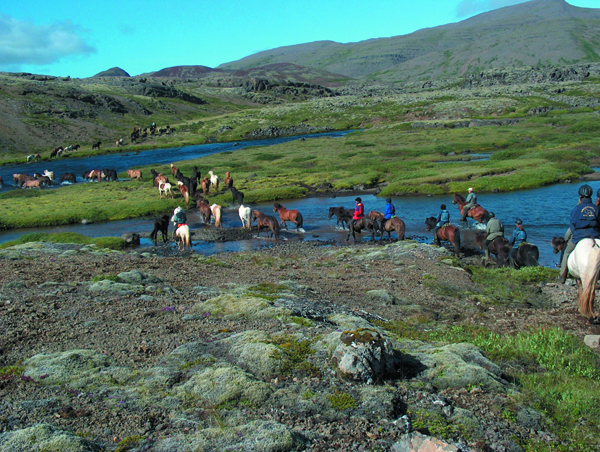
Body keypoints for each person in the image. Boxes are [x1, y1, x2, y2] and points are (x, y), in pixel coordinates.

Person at [559, 184, 600, 283]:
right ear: (590, 196)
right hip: (594, 235)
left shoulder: (576, 209)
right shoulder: (596, 208)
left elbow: (572, 225)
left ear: (580, 197)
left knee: (567, 252)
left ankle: (562, 275)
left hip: (579, 236)